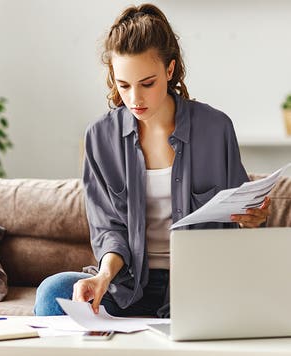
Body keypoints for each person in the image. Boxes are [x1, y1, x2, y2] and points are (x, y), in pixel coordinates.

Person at [34, 3, 270, 318]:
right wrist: (103, 276)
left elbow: (240, 216)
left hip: (201, 284)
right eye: (124, 85)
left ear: (169, 70)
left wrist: (252, 219)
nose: (135, 99)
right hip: (128, 284)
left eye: (147, 83)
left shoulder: (216, 129)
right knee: (54, 292)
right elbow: (109, 231)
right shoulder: (99, 138)